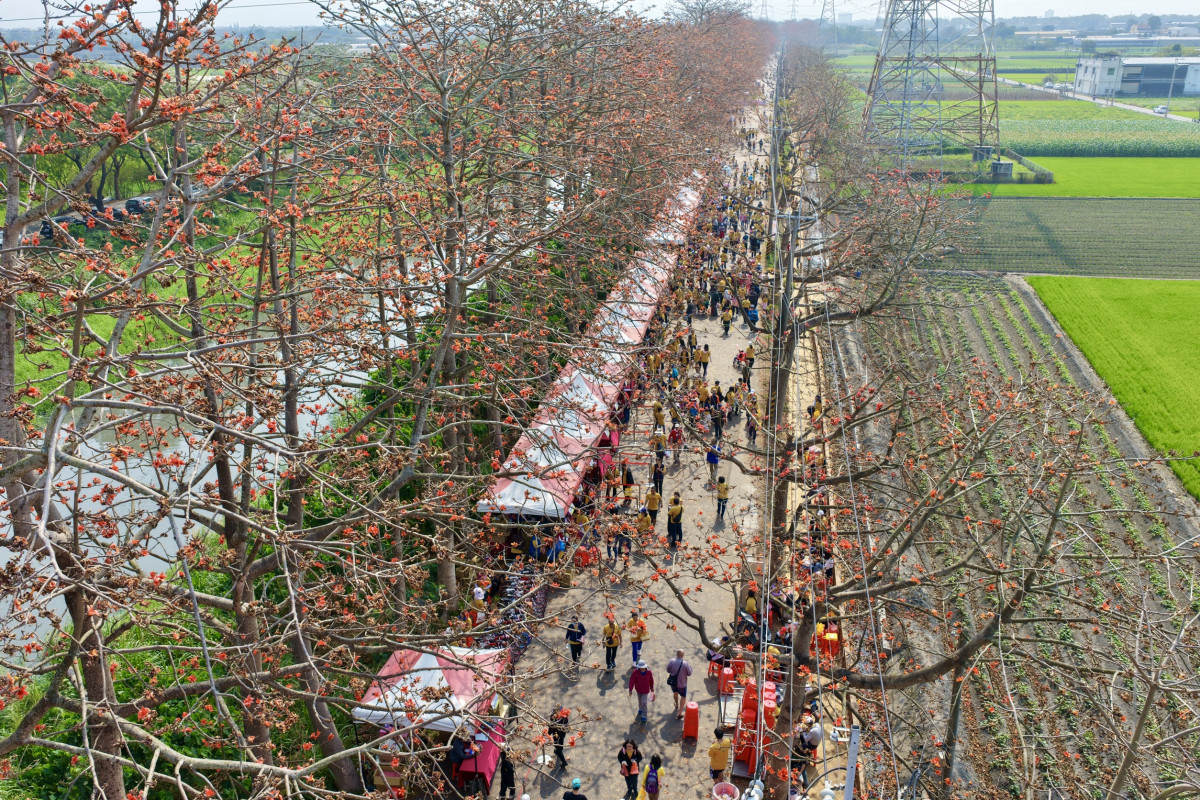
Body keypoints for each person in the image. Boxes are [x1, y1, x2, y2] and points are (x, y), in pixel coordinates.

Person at [665, 649, 693, 719]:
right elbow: (689, 673)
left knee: (675, 693)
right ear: (683, 655)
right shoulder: (685, 663)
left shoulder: (672, 661)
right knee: (683, 696)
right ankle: (680, 712)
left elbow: (668, 670)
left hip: (673, 682)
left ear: (677, 654)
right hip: (682, 684)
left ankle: (676, 704)